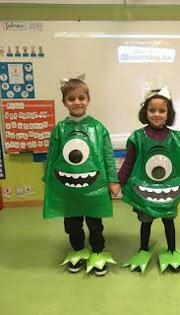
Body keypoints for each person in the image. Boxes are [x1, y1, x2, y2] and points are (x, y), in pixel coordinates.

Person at [43, 75, 120, 276]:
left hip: (95, 187)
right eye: (71, 98)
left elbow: (108, 156)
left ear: (88, 99)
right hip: (68, 188)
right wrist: (48, 180)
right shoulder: (59, 129)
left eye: (81, 97)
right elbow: (52, 156)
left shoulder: (98, 128)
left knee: (95, 223)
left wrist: (113, 180)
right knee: (72, 224)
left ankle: (97, 252)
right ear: (64, 102)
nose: (77, 102)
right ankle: (78, 250)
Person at [118, 86, 180, 273]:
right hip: (145, 191)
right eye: (152, 110)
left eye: (161, 110)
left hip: (169, 191)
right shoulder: (138, 137)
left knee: (169, 221)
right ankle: (143, 249)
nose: (156, 114)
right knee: (146, 221)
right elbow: (129, 162)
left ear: (169, 113)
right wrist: (120, 181)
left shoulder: (175, 139)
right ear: (145, 112)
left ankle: (172, 250)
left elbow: (179, 168)